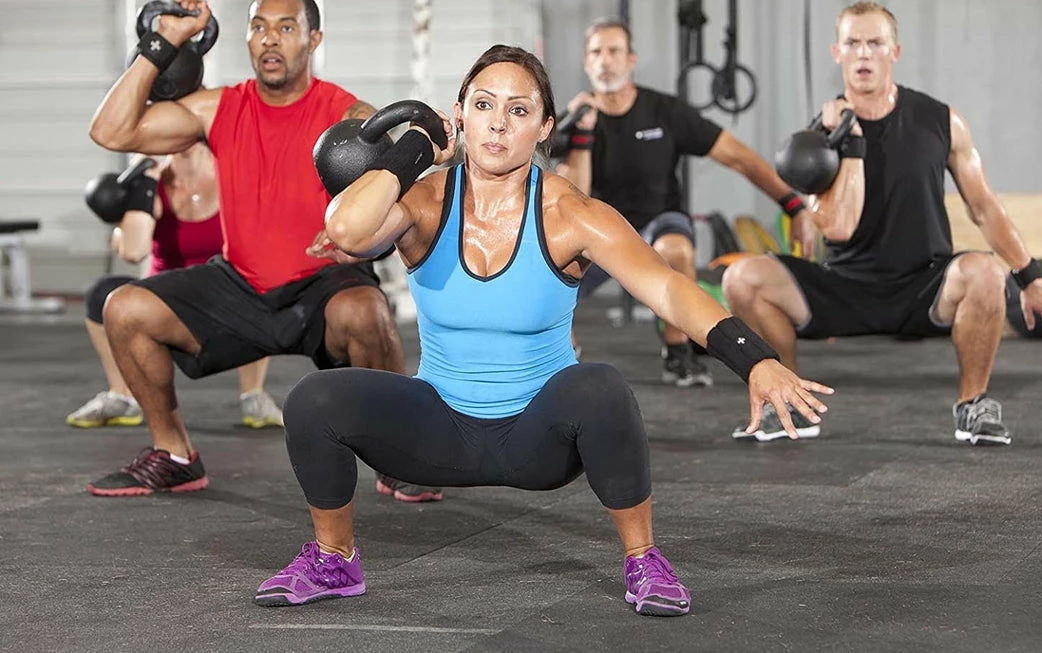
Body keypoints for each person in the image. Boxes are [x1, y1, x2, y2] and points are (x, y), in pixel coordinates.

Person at [252, 45, 833, 615]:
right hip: (435, 434)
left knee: (600, 386)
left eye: (518, 110)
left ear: (544, 128)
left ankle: (644, 559)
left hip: (540, 439)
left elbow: (667, 287)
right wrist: (414, 153)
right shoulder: (425, 200)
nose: (498, 124)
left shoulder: (571, 214)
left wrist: (755, 359)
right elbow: (348, 231)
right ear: (458, 116)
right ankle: (335, 559)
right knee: (314, 400)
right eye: (482, 105)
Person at [85, 0, 440, 501]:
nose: (270, 40)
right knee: (125, 308)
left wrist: (359, 229)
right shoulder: (219, 109)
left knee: (368, 312)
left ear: (313, 39)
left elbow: (388, 181)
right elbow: (111, 132)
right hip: (241, 288)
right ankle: (175, 454)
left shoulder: (345, 111)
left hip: (324, 284)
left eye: (287, 27)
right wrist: (163, 41)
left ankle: (400, 455)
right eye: (258, 27)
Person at [721, 0, 1042, 444]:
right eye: (853, 43)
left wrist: (1032, 277)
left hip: (923, 284)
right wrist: (849, 143)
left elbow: (983, 207)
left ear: (895, 51)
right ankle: (791, 402)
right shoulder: (819, 137)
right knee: (741, 278)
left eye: (875, 43)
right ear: (837, 52)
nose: (864, 54)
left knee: (985, 272)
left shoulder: (941, 121)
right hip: (842, 287)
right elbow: (837, 228)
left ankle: (973, 405)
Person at [557, 19, 818, 387]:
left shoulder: (665, 111)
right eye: (596, 52)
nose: (605, 61)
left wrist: (793, 205)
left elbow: (738, 157)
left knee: (675, 250)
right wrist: (582, 136)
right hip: (603, 228)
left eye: (614, 51)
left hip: (662, 218)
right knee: (552, 286)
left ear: (631, 60)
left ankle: (678, 352)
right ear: (586, 63)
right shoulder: (574, 121)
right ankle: (562, 357)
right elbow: (574, 198)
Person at [68, 143, 285, 430]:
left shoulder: (231, 175)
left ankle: (253, 396)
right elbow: (133, 251)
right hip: (166, 299)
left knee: (260, 282)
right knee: (102, 293)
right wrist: (145, 183)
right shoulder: (152, 185)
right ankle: (123, 396)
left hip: (220, 293)